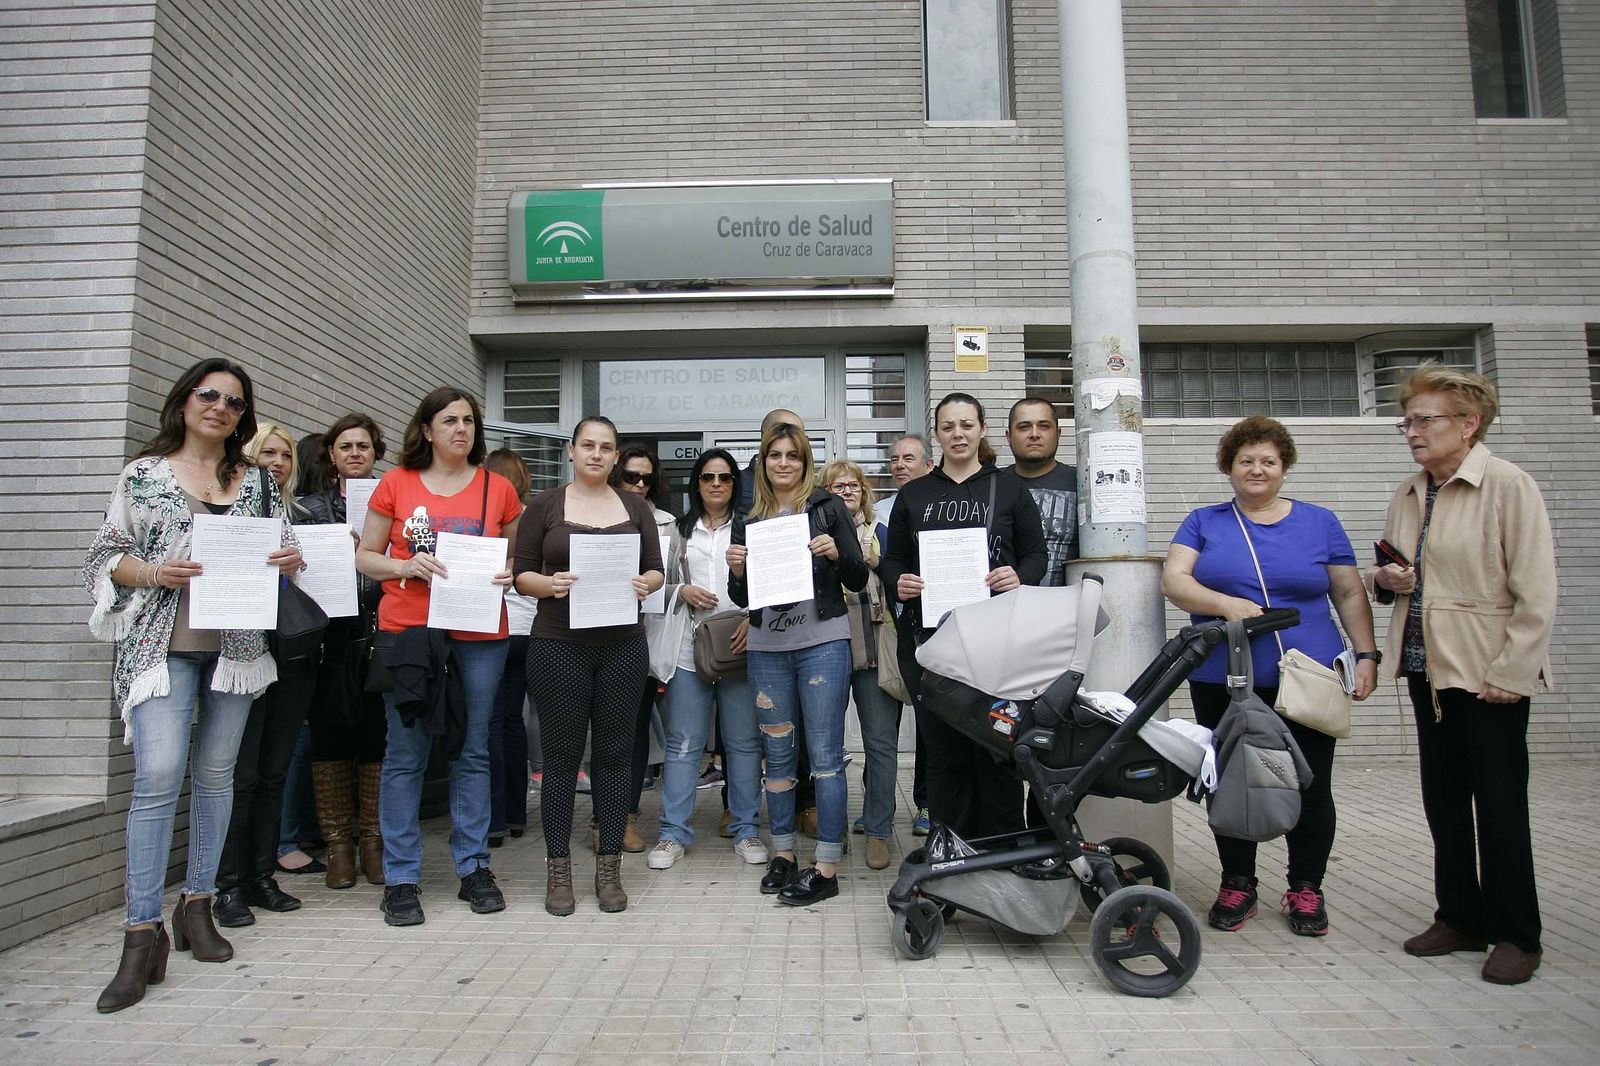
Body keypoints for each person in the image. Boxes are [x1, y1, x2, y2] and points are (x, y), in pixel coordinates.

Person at [82, 359, 302, 1012]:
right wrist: (154, 573)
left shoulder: (255, 480)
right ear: (184, 402)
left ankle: (198, 905)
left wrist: (289, 557)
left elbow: (285, 547)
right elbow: (104, 555)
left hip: (235, 649)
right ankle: (140, 933)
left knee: (216, 776)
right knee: (157, 779)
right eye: (209, 395)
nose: (220, 407)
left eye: (234, 402)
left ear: (243, 417)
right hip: (160, 651)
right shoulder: (144, 474)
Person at [1161, 415, 1379, 938]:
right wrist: (1226, 605)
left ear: (1284, 467)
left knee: (1311, 782)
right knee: (1230, 780)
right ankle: (1238, 882)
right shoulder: (1203, 522)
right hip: (1224, 676)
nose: (1257, 470)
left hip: (1309, 675)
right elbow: (1174, 580)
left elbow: (1348, 592)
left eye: (1268, 461)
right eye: (1246, 461)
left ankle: (1306, 887)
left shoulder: (1320, 522)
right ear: (1229, 467)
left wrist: (1367, 655)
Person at [1373, 367, 1555, 985]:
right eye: (1408, 422)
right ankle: (1459, 917)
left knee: (1499, 806)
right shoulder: (1409, 492)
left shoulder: (1508, 485)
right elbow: (1392, 573)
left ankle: (1516, 934)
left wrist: (1514, 670)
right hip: (1425, 668)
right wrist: (1385, 581)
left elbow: (1536, 591)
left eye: (1425, 420)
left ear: (1469, 423)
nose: (1412, 432)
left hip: (1487, 672)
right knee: (1444, 802)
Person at [355, 387, 522, 926]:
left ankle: (473, 866)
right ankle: (402, 877)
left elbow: (517, 557)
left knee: (472, 749)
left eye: (469, 421)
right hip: (409, 633)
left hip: (478, 632)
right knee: (406, 752)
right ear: (426, 430)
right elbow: (365, 556)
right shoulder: (396, 483)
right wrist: (403, 567)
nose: (461, 429)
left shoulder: (498, 488)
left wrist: (509, 573)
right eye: (449, 420)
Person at [880, 392, 1047, 842]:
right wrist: (899, 581)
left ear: (983, 430)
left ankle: (1003, 850)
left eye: (967, 425)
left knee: (997, 749)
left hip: (997, 642)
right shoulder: (914, 494)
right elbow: (893, 560)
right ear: (937, 434)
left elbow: (1036, 554)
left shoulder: (1009, 488)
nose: (958, 434)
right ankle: (950, 851)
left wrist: (1020, 575)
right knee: (943, 753)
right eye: (948, 426)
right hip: (931, 643)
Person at [514, 416, 665, 916]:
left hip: (622, 646)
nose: (596, 454)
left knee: (615, 756)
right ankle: (559, 869)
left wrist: (646, 583)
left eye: (606, 447)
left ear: (616, 456)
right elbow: (522, 575)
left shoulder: (636, 507)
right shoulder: (544, 506)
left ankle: (609, 868)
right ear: (572, 451)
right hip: (558, 644)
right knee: (560, 759)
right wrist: (550, 584)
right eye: (587, 446)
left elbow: (656, 570)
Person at [728, 421, 868, 906]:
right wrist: (737, 571)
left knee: (825, 757)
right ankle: (784, 853)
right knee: (778, 756)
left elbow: (858, 577)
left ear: (805, 461)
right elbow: (742, 597)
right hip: (767, 646)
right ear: (763, 463)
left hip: (822, 643)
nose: (783, 463)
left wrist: (836, 554)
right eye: (775, 455)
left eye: (792, 455)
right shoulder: (750, 517)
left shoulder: (827, 507)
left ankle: (826, 866)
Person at [212, 422, 319, 928]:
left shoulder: (292, 512)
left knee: (274, 768)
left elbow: (300, 570)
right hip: (242, 651)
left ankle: (261, 875)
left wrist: (295, 560)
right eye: (267, 453)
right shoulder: (226, 505)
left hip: (290, 649)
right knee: (242, 773)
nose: (276, 463)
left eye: (285, 455)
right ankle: (227, 884)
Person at [647, 448, 767, 870]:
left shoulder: (752, 528)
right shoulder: (678, 532)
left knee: (744, 744)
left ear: (735, 484)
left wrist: (753, 619)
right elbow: (653, 586)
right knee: (683, 743)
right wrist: (682, 591)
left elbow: (772, 583)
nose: (716, 484)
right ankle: (672, 833)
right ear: (696, 484)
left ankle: (747, 828)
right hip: (689, 646)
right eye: (708, 477)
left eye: (725, 477)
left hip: (739, 646)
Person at [298, 413, 388, 888]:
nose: (355, 453)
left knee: (377, 736)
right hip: (328, 636)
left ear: (376, 453)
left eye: (364, 446)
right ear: (331, 455)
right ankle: (337, 845)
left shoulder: (394, 502)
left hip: (381, 631)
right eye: (346, 446)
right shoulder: (308, 509)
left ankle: (372, 840)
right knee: (330, 737)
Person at [821, 458, 899, 871]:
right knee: (827, 747)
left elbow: (902, 579)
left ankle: (878, 831)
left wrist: (876, 562)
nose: (847, 491)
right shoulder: (812, 534)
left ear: (864, 492)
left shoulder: (881, 532)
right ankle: (832, 829)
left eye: (853, 485)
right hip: (825, 649)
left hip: (874, 652)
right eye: (838, 486)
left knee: (880, 744)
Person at [608, 443, 676, 853]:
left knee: (633, 729)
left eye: (646, 478)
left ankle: (625, 817)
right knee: (604, 732)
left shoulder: (666, 523)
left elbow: (674, 578)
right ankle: (603, 818)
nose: (638, 484)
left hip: (645, 636)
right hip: (594, 633)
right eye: (630, 476)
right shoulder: (592, 514)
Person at [879, 433, 935, 837]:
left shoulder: (938, 505)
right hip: (887, 629)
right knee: (883, 725)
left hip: (930, 627)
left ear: (929, 464)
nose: (900, 465)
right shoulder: (879, 511)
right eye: (894, 459)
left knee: (931, 722)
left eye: (909, 458)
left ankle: (927, 803)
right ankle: (878, 806)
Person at [484, 448, 534, 849]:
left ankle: (495, 819)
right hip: (529, 629)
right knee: (514, 720)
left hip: (494, 626)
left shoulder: (488, 518)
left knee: (492, 723)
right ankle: (517, 814)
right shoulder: (532, 518)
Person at [1001, 396, 1079, 586]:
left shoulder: (1082, 484)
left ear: (1058, 433)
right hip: (1005, 602)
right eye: (1024, 427)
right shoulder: (993, 484)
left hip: (1067, 602)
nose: (1034, 434)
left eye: (1044, 426)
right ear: (1009, 436)